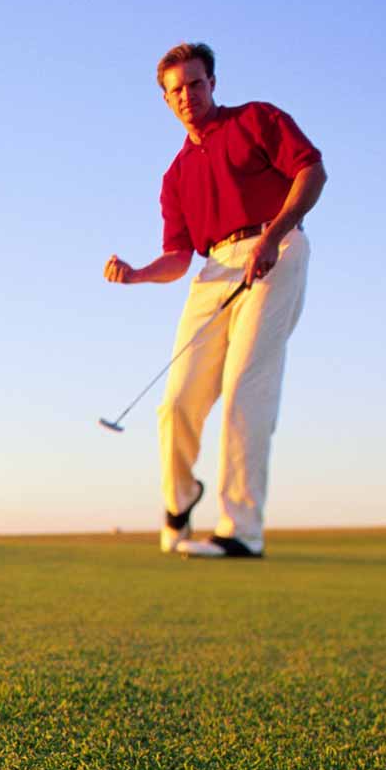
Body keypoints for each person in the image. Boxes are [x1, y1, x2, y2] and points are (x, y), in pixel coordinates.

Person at [104, 42, 326, 558]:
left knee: (246, 386)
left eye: (196, 84)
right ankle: (180, 500)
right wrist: (136, 275)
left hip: (278, 245)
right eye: (175, 90)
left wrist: (273, 237)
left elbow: (312, 171)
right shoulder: (175, 176)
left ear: (213, 84)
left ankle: (241, 531)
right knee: (177, 401)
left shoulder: (256, 119)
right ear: (165, 100)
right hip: (213, 269)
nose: (188, 96)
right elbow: (178, 258)